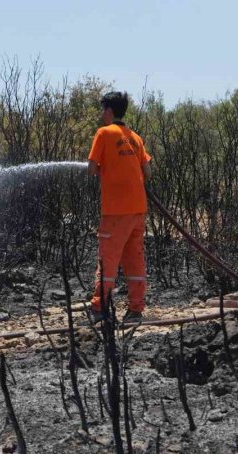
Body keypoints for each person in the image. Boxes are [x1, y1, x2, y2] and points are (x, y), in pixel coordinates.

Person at [87, 91, 152, 326]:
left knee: (108, 259)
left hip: (115, 211)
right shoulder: (135, 137)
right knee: (134, 259)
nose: (102, 114)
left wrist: (103, 168)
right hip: (138, 210)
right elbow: (148, 172)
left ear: (109, 111)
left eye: (103, 109)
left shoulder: (104, 133)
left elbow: (92, 169)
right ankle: (135, 310)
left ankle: (99, 308)